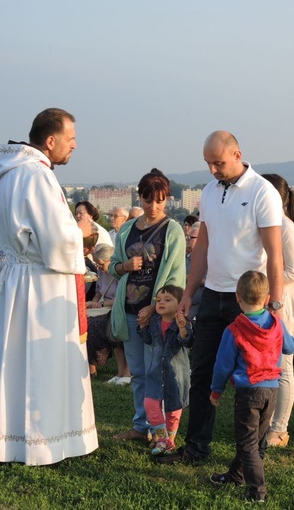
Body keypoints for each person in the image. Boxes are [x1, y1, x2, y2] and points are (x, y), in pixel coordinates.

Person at [0, 107, 99, 465]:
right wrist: (84, 234)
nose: (75, 145)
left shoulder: (7, 174)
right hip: (42, 281)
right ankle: (43, 442)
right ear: (51, 140)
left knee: (13, 360)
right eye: (71, 138)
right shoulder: (37, 175)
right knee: (42, 360)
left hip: (18, 277)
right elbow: (57, 240)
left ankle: (9, 437)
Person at [157, 131, 283, 464]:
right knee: (202, 375)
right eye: (208, 164)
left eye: (218, 163)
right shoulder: (209, 193)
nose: (213, 170)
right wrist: (189, 291)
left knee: (252, 380)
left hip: (251, 302)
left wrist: (276, 305)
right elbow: (203, 246)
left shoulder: (263, 192)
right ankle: (197, 448)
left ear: (238, 154)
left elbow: (275, 253)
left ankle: (251, 454)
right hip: (213, 296)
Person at [109, 168, 186, 442]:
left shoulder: (173, 230)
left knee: (159, 372)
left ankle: (161, 429)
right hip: (130, 310)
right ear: (139, 197)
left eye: (160, 200)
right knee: (139, 373)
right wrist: (124, 266)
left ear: (167, 200)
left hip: (158, 315)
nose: (153, 207)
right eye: (148, 199)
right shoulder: (127, 229)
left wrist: (154, 307)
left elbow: (177, 277)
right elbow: (113, 267)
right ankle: (142, 426)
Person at [209, 271, 294, 504]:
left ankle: (257, 491)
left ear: (238, 297)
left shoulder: (234, 329)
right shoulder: (276, 323)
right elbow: (290, 347)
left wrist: (216, 391)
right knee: (255, 440)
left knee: (247, 443)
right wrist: (281, 326)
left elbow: (222, 365)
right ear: (267, 298)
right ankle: (235, 476)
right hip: (272, 391)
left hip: (248, 392)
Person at [261, 174, 294, 448]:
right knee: (272, 368)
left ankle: (279, 428)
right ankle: (268, 424)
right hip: (267, 304)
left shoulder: (286, 228)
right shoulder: (272, 226)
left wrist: (263, 286)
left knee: (285, 368)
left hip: (282, 307)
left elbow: (293, 271)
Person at [138, 285, 194, 455]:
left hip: (176, 375)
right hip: (155, 374)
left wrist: (183, 328)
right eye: (158, 300)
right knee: (150, 404)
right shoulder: (155, 322)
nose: (161, 303)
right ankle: (164, 440)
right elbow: (148, 340)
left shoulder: (182, 323)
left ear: (180, 304)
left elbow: (188, 342)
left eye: (167, 300)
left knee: (173, 410)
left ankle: (168, 442)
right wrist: (142, 326)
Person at [84, 243, 130, 384]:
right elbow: (99, 292)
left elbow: (122, 296)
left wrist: (101, 304)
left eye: (101, 264)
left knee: (98, 325)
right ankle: (116, 371)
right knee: (83, 321)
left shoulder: (120, 273)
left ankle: (126, 373)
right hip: (105, 307)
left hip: (118, 308)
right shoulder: (101, 273)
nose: (99, 268)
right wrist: (94, 302)